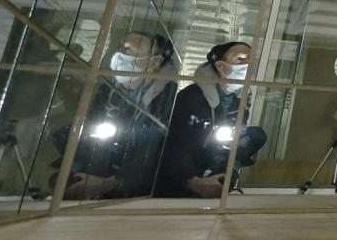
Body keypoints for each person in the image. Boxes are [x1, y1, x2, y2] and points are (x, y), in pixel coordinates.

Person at [52, 32, 179, 199]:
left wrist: (113, 183)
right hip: (98, 169)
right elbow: (90, 128)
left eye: (128, 50)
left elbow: (153, 156)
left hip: (132, 189)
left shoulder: (168, 100)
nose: (118, 55)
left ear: (154, 62)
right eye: (119, 48)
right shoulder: (107, 89)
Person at [155, 41, 266, 197]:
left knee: (256, 134)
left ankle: (222, 177)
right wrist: (191, 180)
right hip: (181, 175)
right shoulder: (191, 97)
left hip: (213, 156)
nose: (248, 65)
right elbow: (175, 146)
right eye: (240, 59)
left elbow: (239, 136)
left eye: (251, 60)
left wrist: (232, 165)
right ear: (220, 66)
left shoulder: (238, 102)